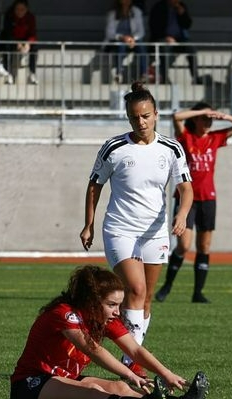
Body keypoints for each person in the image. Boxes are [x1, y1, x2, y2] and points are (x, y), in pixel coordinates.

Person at [80, 81, 193, 377]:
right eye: (134, 117)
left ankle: (131, 359)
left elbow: (186, 188)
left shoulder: (171, 148)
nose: (140, 122)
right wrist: (89, 224)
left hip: (155, 232)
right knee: (135, 288)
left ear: (155, 114)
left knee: (147, 296)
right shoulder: (115, 147)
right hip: (120, 229)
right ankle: (131, 362)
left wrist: (181, 214)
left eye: (145, 116)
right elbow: (95, 185)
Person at [10, 265, 210, 399]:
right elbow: (93, 350)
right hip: (30, 386)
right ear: (91, 301)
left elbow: (135, 350)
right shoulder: (64, 313)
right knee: (92, 393)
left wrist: (166, 373)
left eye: (119, 305)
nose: (117, 311)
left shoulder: (103, 318)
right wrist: (130, 374)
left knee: (120, 388)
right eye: (111, 304)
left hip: (62, 379)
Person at [155, 103, 232, 304]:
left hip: (208, 198)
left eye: (210, 119)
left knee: (204, 246)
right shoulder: (186, 136)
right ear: (196, 119)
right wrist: (201, 111)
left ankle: (198, 293)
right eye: (204, 119)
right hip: (187, 199)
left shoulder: (215, 138)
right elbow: (176, 117)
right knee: (184, 245)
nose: (207, 122)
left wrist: (224, 115)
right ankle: (167, 286)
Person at [148, 0, 200, 84]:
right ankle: (164, 78)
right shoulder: (159, 7)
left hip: (179, 39)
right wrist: (165, 37)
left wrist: (182, 14)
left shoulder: (181, 6)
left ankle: (196, 77)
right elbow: (153, 25)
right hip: (162, 37)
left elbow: (187, 25)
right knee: (164, 49)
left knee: (191, 49)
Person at [103, 0, 148, 84]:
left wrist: (133, 38)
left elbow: (141, 31)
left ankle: (144, 73)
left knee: (141, 45)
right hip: (117, 40)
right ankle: (119, 73)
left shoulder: (136, 11)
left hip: (132, 40)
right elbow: (109, 33)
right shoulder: (112, 13)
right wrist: (122, 37)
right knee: (121, 46)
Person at [0, 0, 38, 85]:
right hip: (11, 39)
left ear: (26, 9)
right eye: (17, 9)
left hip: (25, 39)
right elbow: (8, 32)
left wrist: (28, 44)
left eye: (22, 9)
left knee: (34, 47)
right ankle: (8, 74)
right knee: (7, 46)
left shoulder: (30, 18)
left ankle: (32, 73)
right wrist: (17, 44)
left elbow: (33, 34)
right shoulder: (9, 16)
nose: (19, 12)